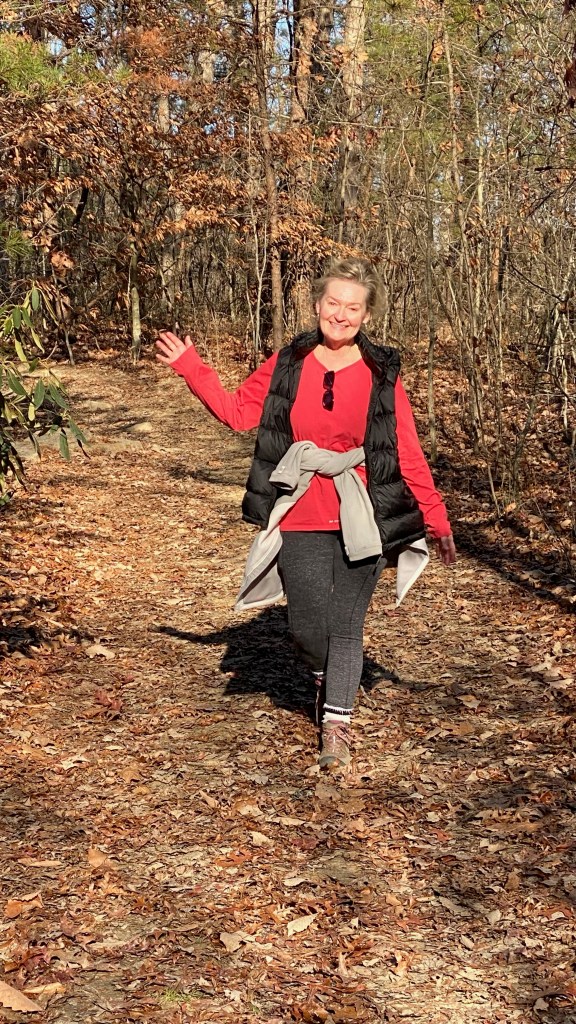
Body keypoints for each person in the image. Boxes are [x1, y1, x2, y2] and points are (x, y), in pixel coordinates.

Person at [156, 258, 456, 770]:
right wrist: (192, 366)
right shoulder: (289, 362)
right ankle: (327, 676)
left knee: (346, 624)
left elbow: (406, 448)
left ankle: (336, 724)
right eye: (333, 303)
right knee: (305, 625)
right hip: (301, 505)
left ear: (366, 315)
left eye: (353, 307)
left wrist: (436, 517)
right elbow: (237, 413)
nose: (341, 315)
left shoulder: (382, 371)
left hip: (365, 509)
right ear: (318, 304)